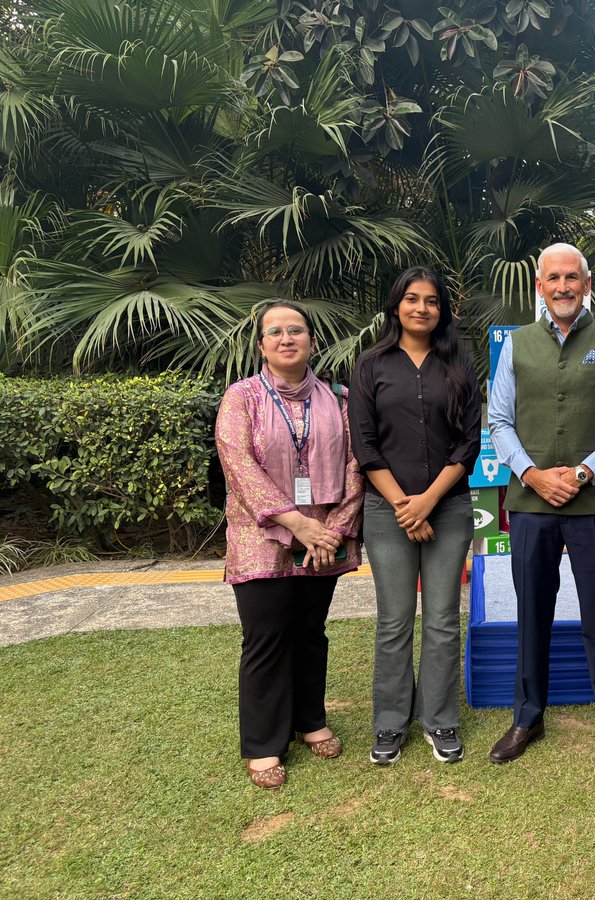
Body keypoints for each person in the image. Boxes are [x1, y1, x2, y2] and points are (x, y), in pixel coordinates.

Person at [487, 242, 595, 781]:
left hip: (594, 503)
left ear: (586, 281)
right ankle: (527, 719)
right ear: (539, 284)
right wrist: (531, 474)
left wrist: (579, 474)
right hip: (530, 502)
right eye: (552, 278)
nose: (562, 287)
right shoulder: (515, 346)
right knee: (532, 611)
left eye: (571, 277)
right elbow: (499, 422)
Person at [215, 301, 364, 789]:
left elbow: (355, 466)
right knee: (266, 637)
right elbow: (237, 462)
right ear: (261, 345)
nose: (286, 338)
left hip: (322, 540)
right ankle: (263, 743)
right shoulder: (242, 398)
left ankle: (309, 720)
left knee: (310, 631)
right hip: (262, 535)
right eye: (275, 332)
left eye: (295, 330)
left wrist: (336, 529)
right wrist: (295, 523)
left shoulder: (337, 398)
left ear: (311, 341)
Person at [350, 267, 481, 766]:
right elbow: (364, 444)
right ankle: (389, 724)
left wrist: (428, 501)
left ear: (442, 309)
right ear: (396, 305)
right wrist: (407, 506)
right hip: (388, 511)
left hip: (447, 507)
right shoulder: (371, 364)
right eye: (412, 299)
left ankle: (440, 719)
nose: (422, 308)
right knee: (394, 621)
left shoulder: (459, 366)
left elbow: (469, 442)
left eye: (431, 301)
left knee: (445, 619)